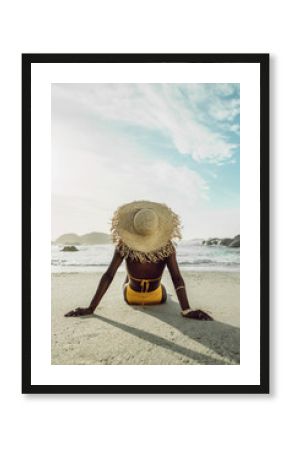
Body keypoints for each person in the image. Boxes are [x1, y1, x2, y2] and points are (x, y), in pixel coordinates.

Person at [65, 200, 213, 320]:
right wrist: (186, 309)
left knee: (127, 282)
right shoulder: (167, 248)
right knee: (164, 290)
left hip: (131, 297)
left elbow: (108, 275)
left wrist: (91, 308)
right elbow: (177, 278)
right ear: (157, 229)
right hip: (157, 298)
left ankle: (129, 278)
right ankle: (138, 280)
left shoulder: (124, 246)